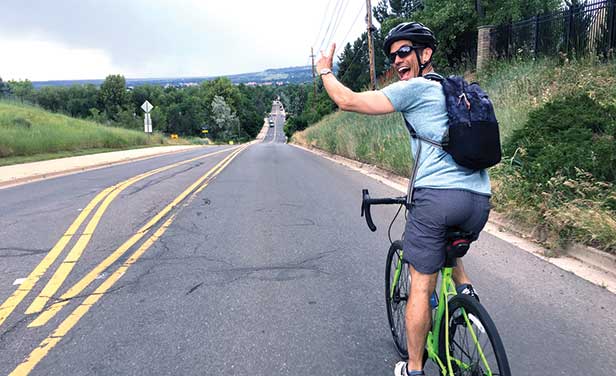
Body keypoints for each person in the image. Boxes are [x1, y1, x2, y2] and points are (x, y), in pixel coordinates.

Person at [316, 22, 491, 376]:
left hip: (438, 200)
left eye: (404, 52)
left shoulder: (415, 89)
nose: (397, 60)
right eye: (393, 55)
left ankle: (413, 368)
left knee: (421, 283)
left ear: (425, 54)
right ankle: (466, 293)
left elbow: (346, 100)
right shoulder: (457, 91)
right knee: (443, 242)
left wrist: (324, 69)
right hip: (480, 201)